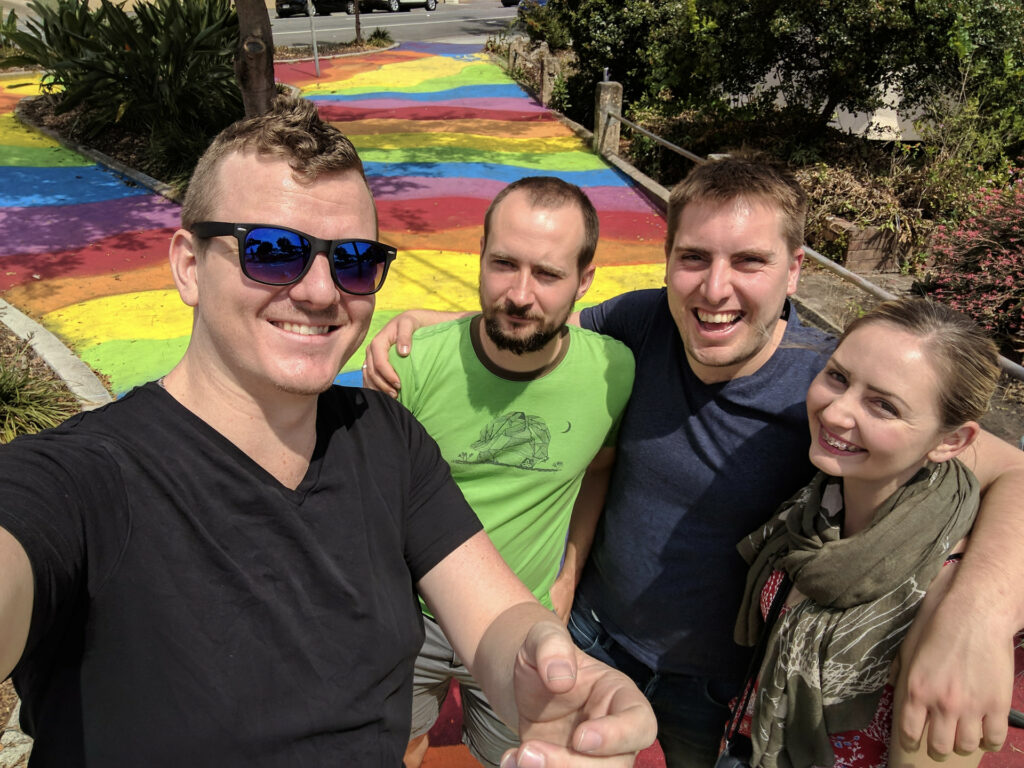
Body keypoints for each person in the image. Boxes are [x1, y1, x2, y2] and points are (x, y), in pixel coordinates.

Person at [0, 95, 658, 767]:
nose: (320, 291)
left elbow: (492, 617)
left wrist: (548, 673)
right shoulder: (85, 481)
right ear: (189, 267)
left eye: (353, 260)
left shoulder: (387, 440)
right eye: (274, 251)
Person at [362, 154, 1024, 767]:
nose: (714, 289)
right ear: (667, 259)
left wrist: (979, 617)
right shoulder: (642, 323)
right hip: (589, 636)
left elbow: (1013, 470)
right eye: (694, 257)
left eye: (749, 262)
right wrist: (434, 326)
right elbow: (532, 321)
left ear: (795, 269)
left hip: (715, 682)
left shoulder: (835, 389)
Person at [375, 176, 634, 768]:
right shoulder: (409, 365)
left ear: (584, 282)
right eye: (504, 265)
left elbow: (598, 469)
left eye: (547, 274)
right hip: (408, 618)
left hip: (523, 622)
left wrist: (568, 574)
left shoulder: (613, 374)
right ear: (481, 258)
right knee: (398, 751)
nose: (519, 294)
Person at [734, 298, 1001, 768]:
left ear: (951, 441)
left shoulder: (944, 597)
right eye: (838, 377)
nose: (836, 413)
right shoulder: (818, 504)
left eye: (884, 405)